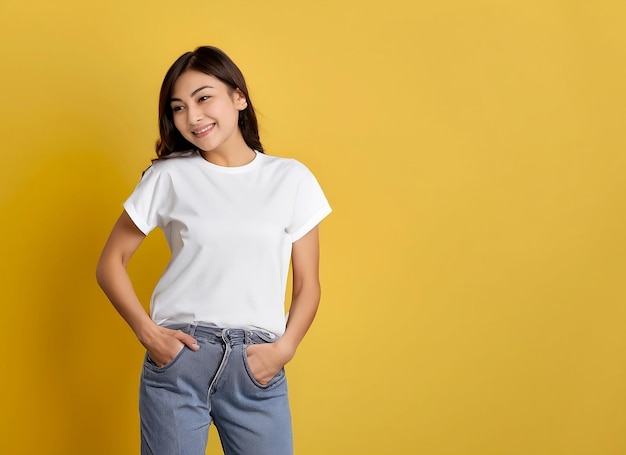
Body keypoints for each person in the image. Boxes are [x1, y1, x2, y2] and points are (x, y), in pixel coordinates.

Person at [96, 46, 331, 455]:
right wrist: (148, 333)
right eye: (179, 108)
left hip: (256, 363)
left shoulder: (291, 179)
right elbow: (110, 263)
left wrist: (284, 349)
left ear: (238, 97)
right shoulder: (168, 176)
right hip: (180, 360)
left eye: (204, 98)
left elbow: (308, 284)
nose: (193, 117)